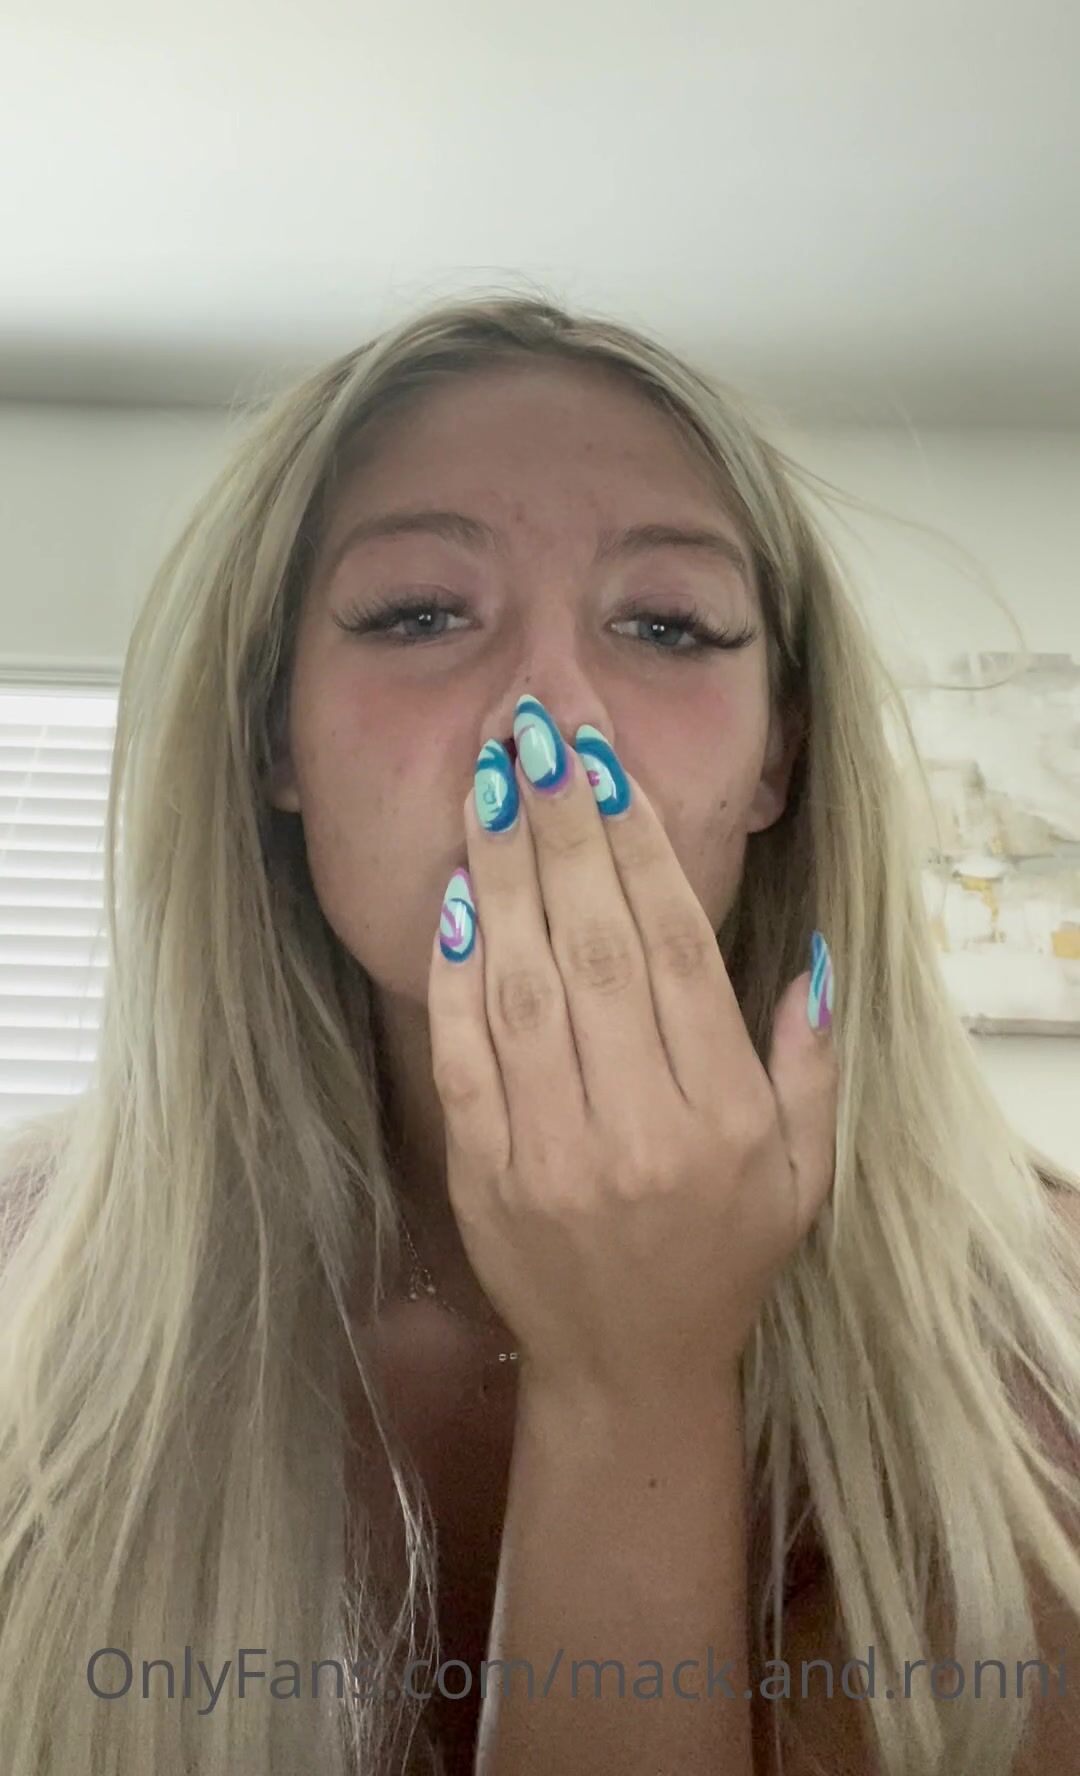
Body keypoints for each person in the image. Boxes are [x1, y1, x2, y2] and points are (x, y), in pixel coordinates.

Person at [0, 290, 1077, 1776]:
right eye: (418, 614)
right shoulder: (28, 1296)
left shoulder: (1048, 1338)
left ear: (779, 757)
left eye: (668, 626)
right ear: (272, 736)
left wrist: (638, 1380)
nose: (549, 717)